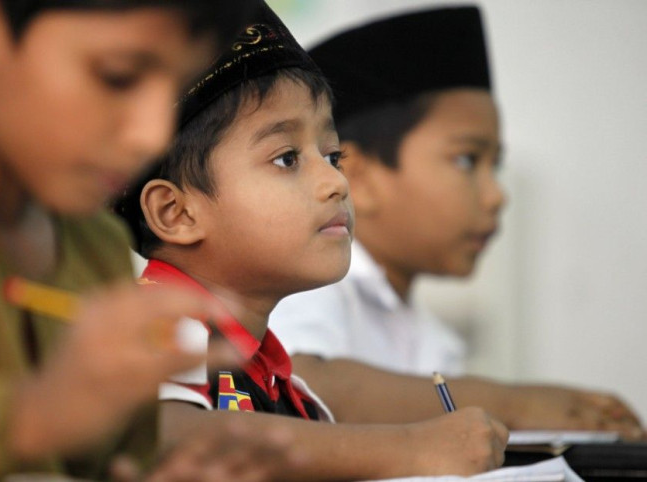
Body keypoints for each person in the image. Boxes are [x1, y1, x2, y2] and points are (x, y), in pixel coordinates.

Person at [0, 1, 304, 481]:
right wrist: (34, 415)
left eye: (174, 92)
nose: (152, 135)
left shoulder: (99, 248)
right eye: (118, 77)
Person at [115, 3, 509, 480]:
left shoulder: (288, 390)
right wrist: (410, 447)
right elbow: (159, 435)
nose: (336, 183)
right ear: (175, 213)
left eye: (332, 155)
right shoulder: (154, 323)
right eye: (286, 158)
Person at [268, 5, 644, 437]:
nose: (497, 195)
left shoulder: (435, 343)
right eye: (467, 160)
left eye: (495, 166)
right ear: (359, 176)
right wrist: (511, 404)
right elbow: (302, 386)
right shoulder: (309, 287)